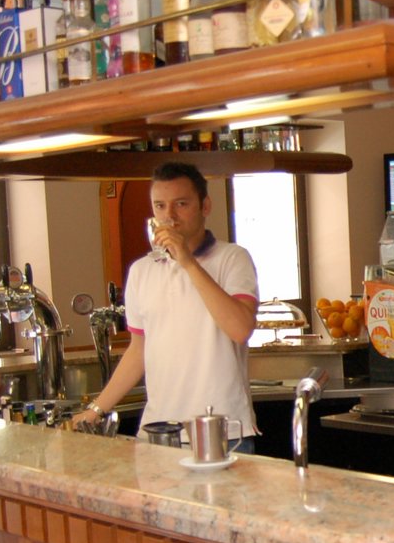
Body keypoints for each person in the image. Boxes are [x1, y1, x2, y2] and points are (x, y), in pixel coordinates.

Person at [71, 163, 260, 453]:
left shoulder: (233, 258)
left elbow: (240, 329)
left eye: (181, 204)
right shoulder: (141, 271)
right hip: (158, 433)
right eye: (160, 206)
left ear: (205, 206)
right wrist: (96, 409)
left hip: (223, 433)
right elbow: (138, 351)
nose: (169, 216)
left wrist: (187, 261)